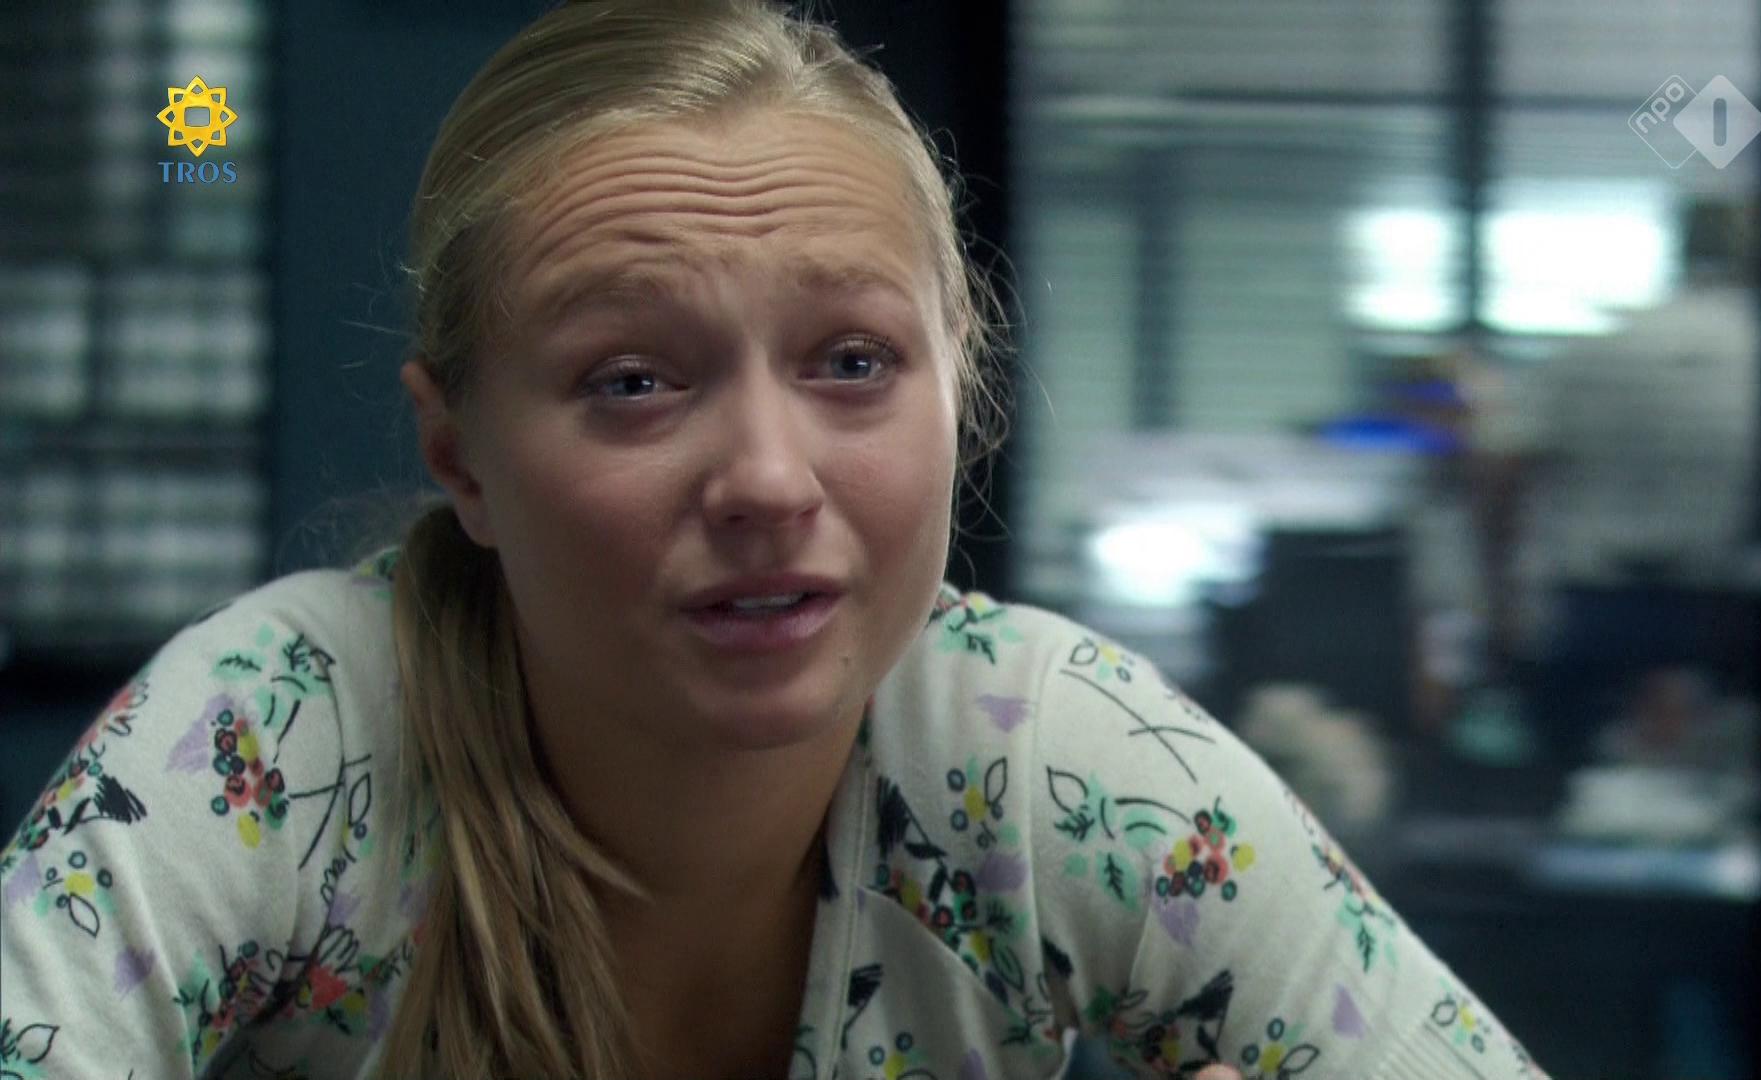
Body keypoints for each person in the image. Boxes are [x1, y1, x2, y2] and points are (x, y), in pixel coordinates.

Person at [0, 2, 1551, 1077]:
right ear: (460, 457)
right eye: (632, 381)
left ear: (961, 393)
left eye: (853, 363)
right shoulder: (280, 737)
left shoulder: (1037, 756)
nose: (764, 477)